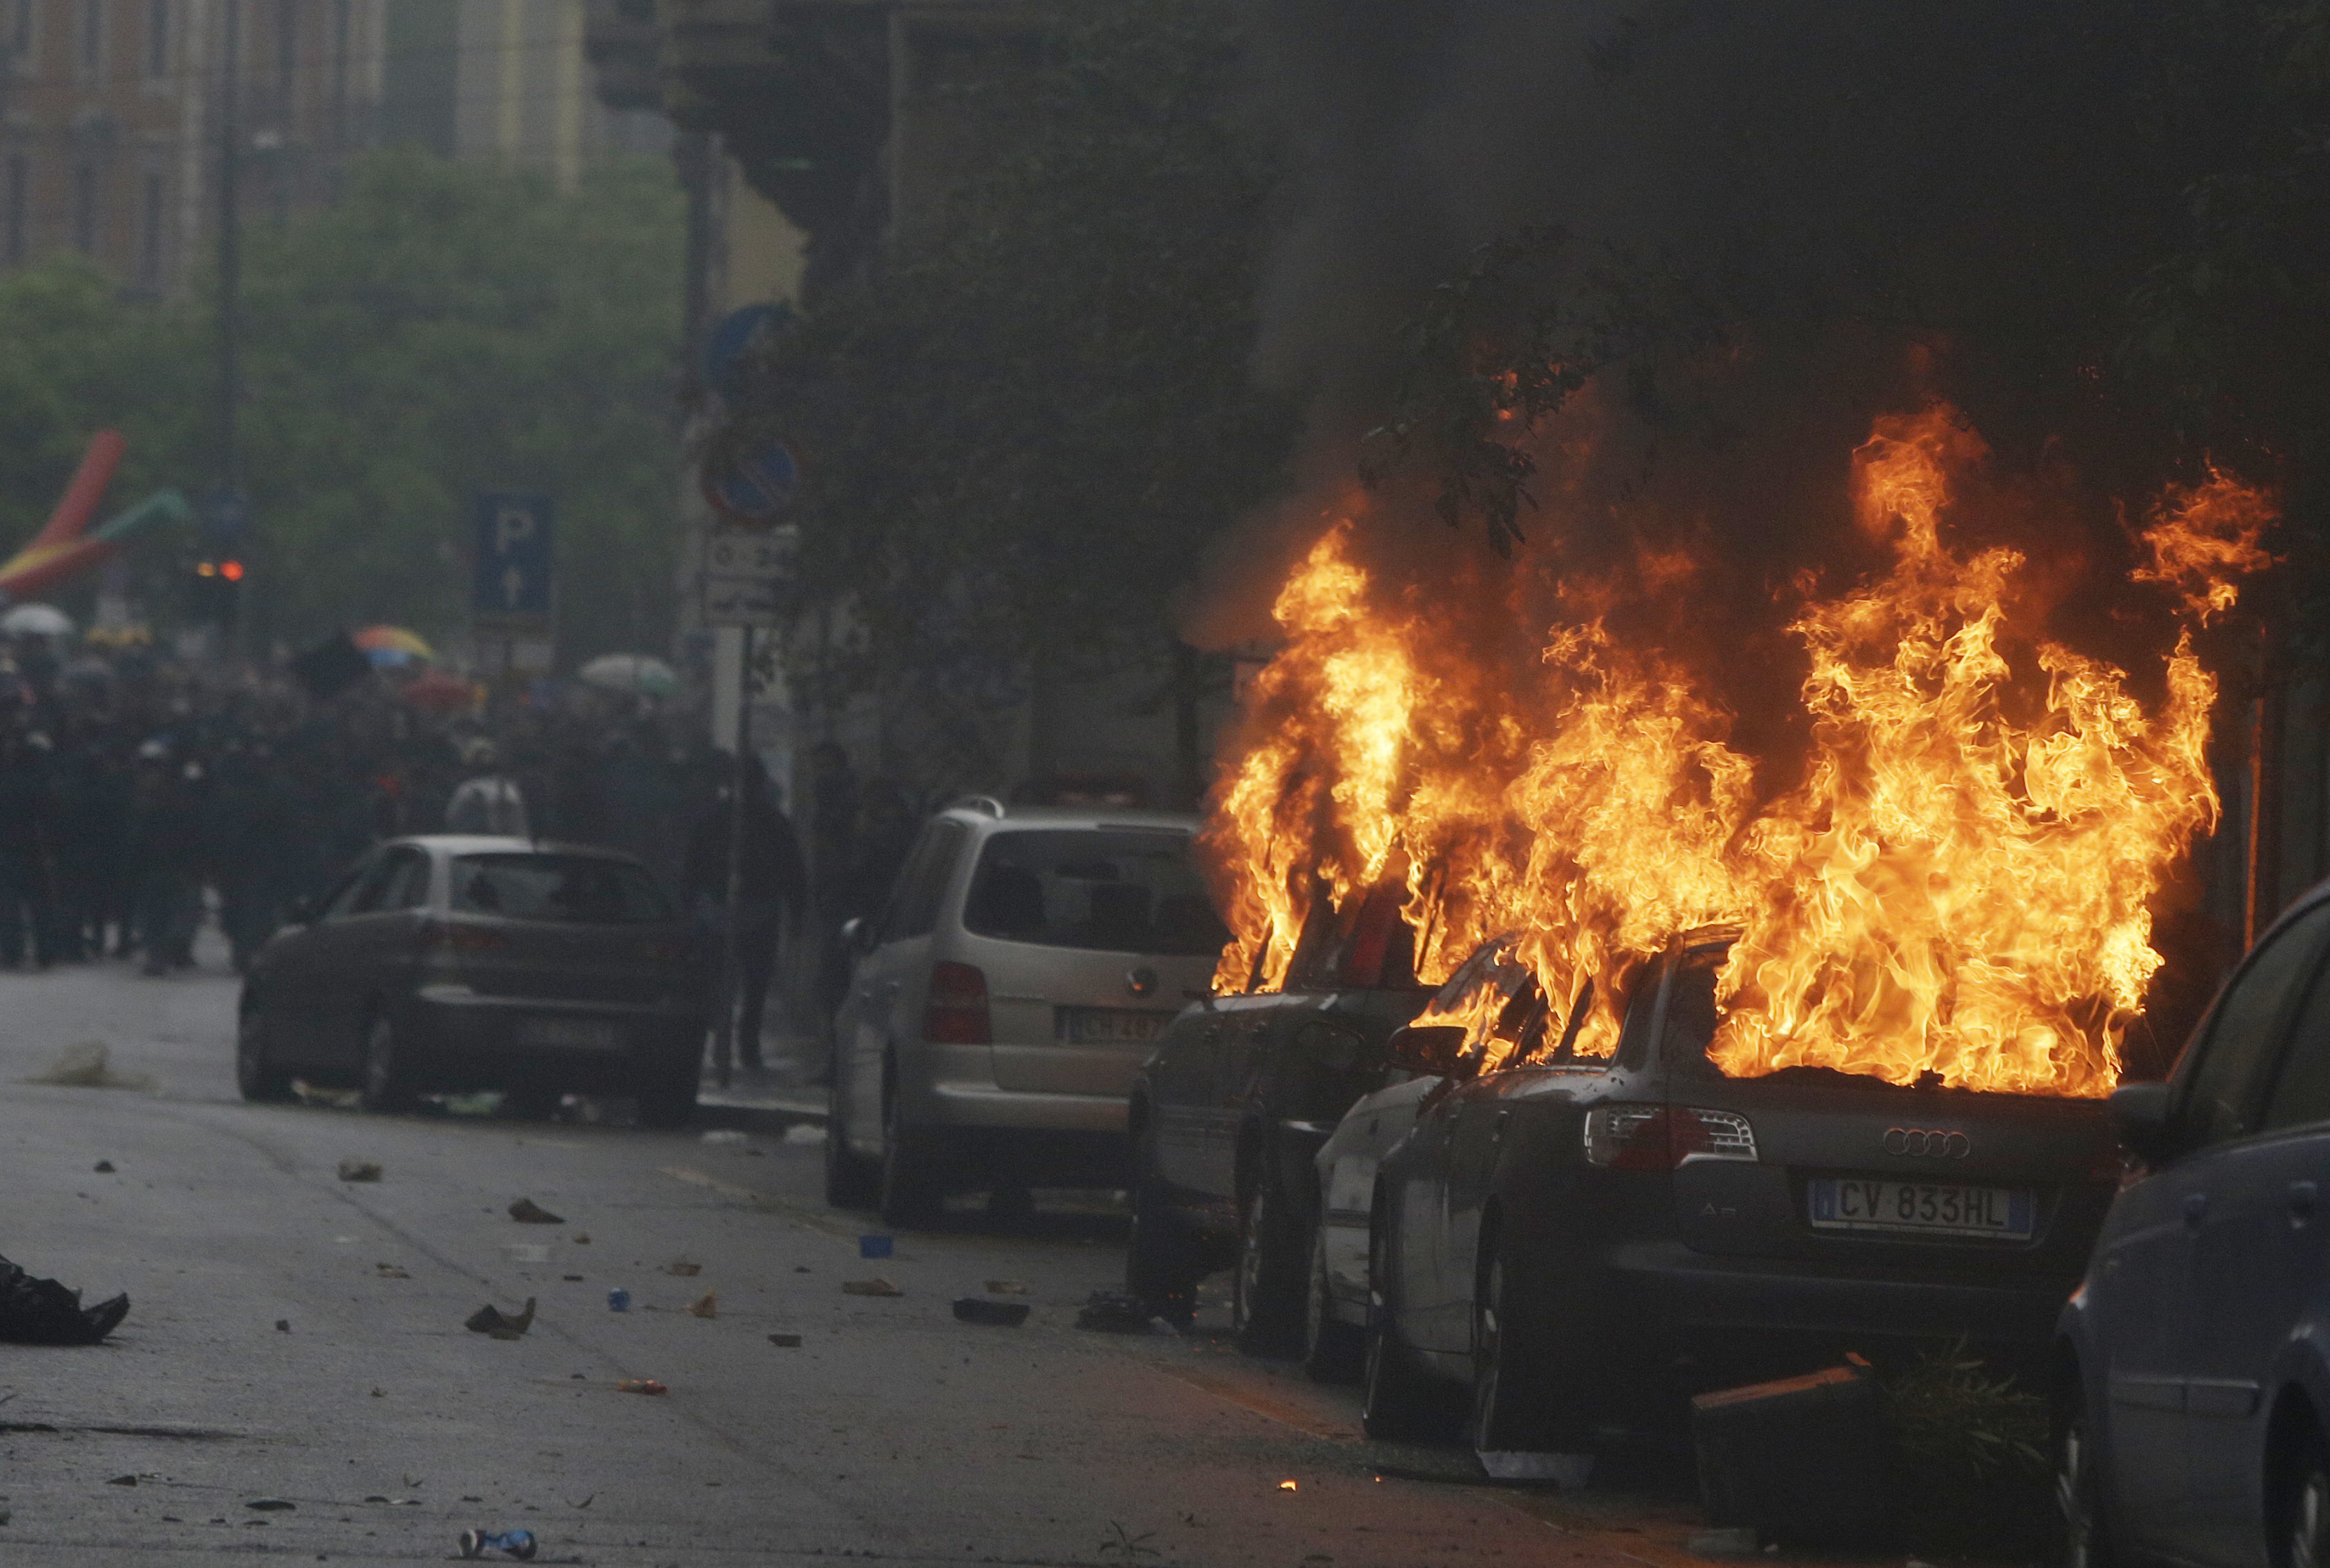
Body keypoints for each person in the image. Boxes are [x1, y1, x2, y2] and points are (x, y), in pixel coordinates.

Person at [682, 757, 808, 1073]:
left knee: (738, 984)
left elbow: (692, 865)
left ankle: (733, 1042)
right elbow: (793, 869)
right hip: (738, 910)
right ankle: (739, 1046)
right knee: (747, 985)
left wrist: (689, 902)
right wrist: (796, 910)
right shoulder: (765, 821)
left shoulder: (721, 818)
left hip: (743, 910)